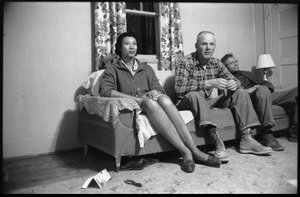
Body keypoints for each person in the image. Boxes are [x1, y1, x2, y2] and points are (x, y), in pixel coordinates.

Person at [99, 32, 222, 173]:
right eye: (127, 44)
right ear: (119, 48)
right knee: (149, 103)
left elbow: (158, 88)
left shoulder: (146, 68)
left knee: (163, 98)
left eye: (134, 44)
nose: (132, 47)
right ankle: (186, 152)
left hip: (148, 101)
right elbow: (106, 91)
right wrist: (138, 99)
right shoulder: (113, 69)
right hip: (132, 105)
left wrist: (154, 92)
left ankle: (194, 150)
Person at [174, 31, 273, 159]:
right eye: (204, 44)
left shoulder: (216, 63)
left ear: (215, 46)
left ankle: (247, 139)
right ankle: (216, 141)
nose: (208, 47)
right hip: (186, 102)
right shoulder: (185, 61)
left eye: (211, 44)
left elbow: (234, 80)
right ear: (196, 46)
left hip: (206, 103)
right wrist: (208, 83)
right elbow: (178, 87)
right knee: (195, 94)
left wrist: (234, 83)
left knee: (240, 92)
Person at [221, 53, 298, 145]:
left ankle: (295, 130)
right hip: (252, 98)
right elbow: (229, 98)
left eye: (235, 61)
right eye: (232, 63)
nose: (236, 63)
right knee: (262, 90)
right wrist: (249, 90)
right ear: (225, 67)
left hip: (265, 94)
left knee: (295, 92)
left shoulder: (246, 73)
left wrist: (264, 89)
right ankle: (266, 133)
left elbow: (265, 83)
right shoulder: (225, 80)